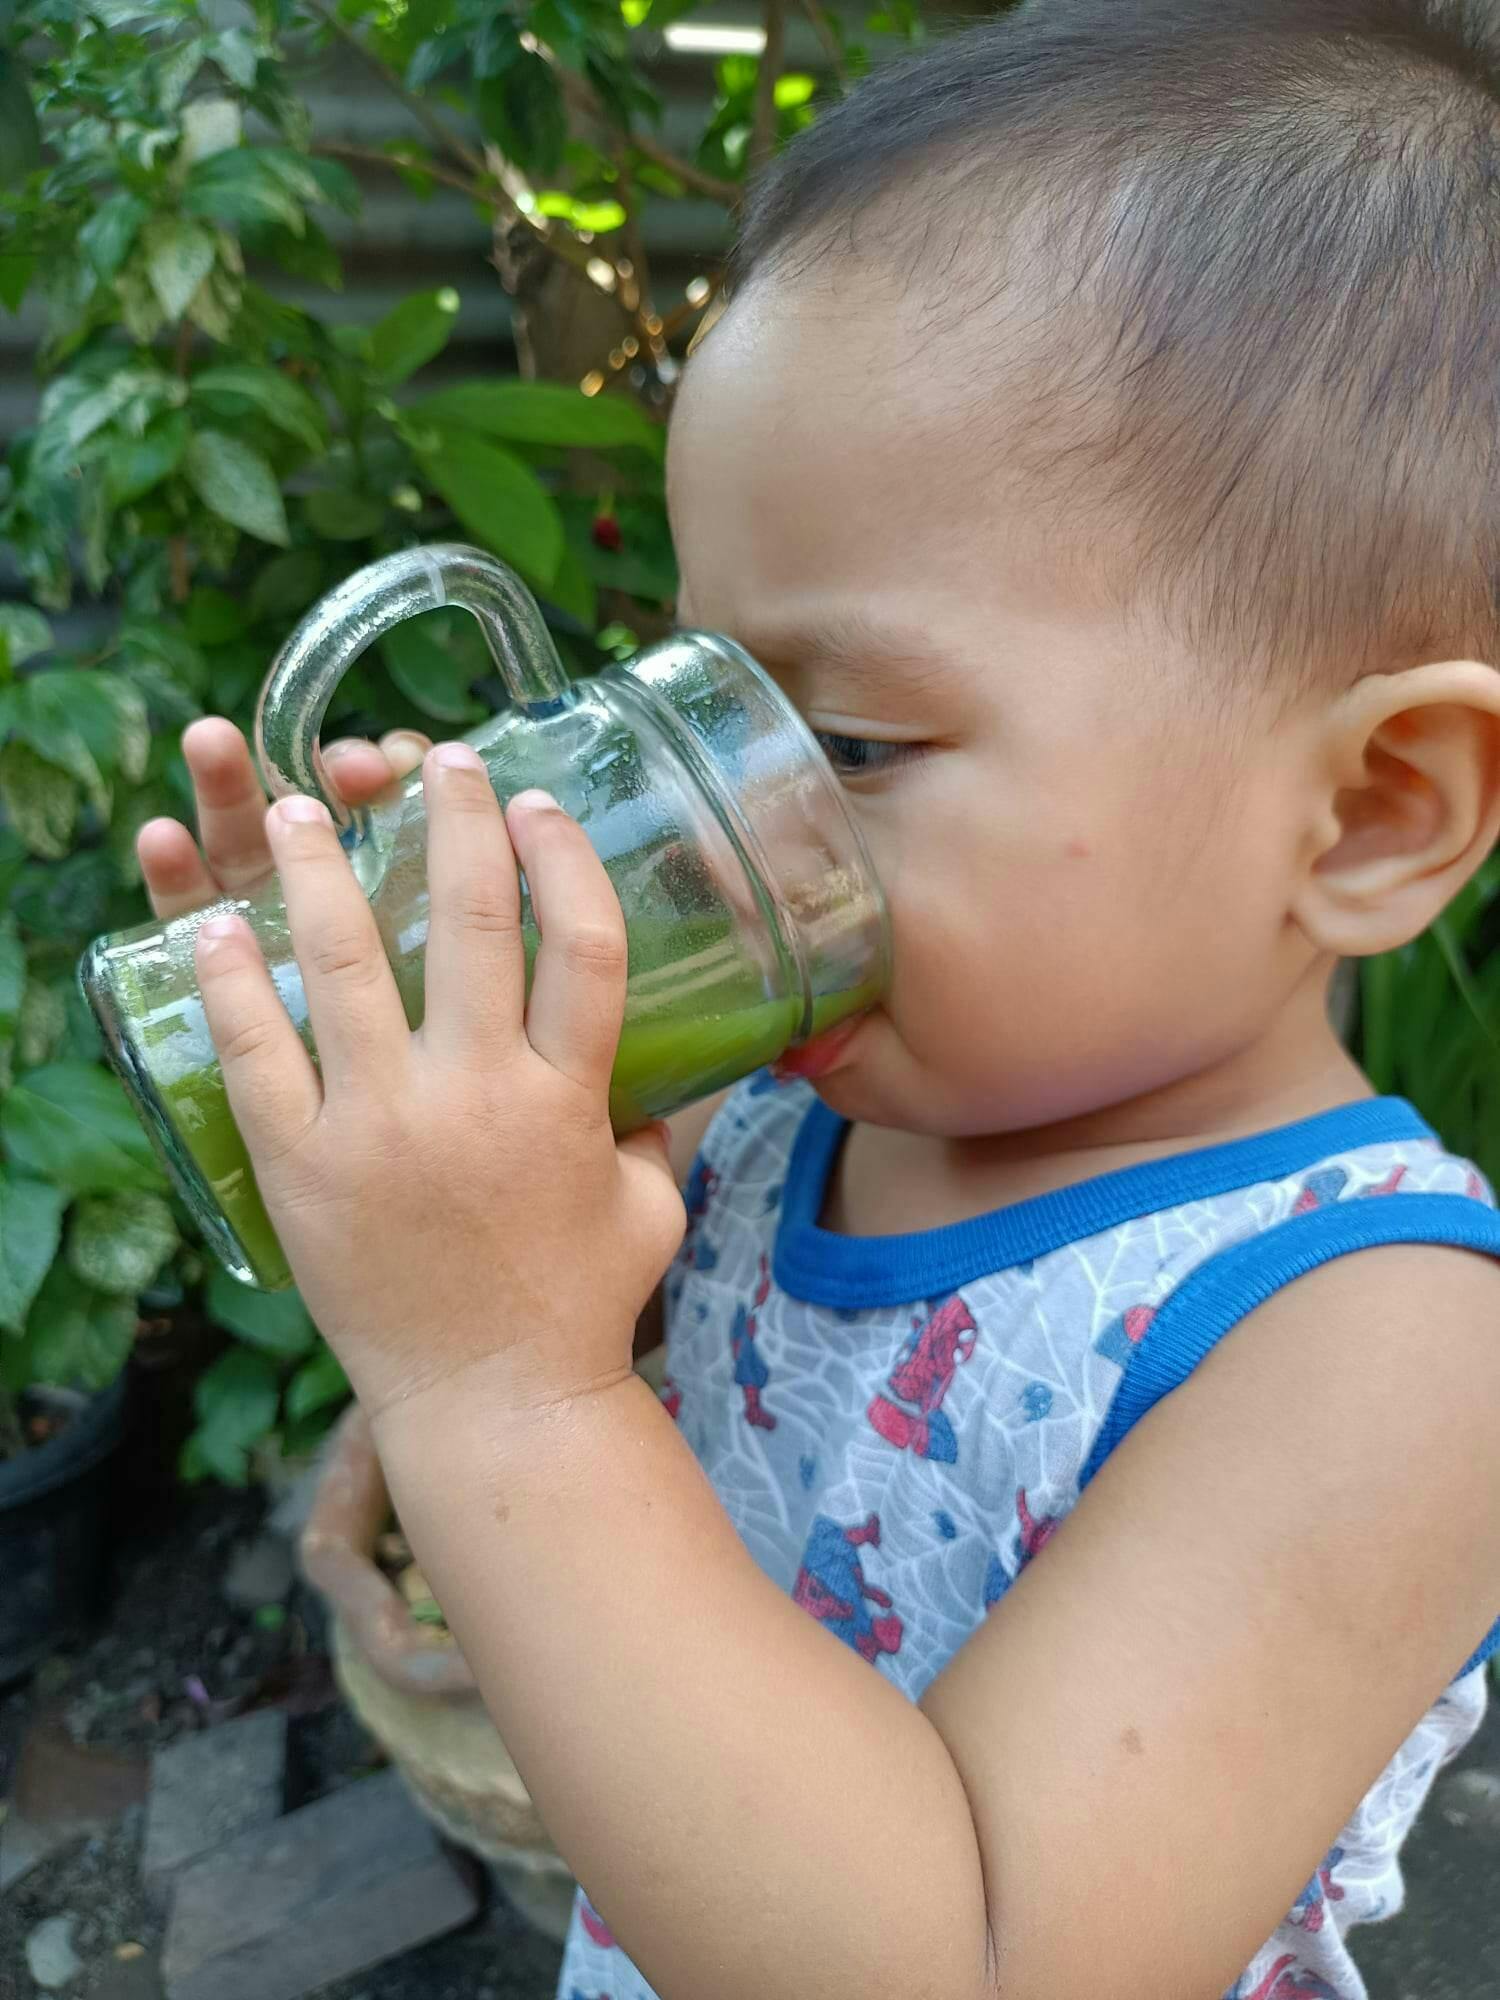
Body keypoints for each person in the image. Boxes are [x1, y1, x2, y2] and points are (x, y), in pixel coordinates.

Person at [137, 4, 1500, 1995]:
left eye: (847, 739)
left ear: (1374, 812)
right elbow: (612, 1370)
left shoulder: (1383, 1351)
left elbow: (967, 1961)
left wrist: (501, 1395)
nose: (728, 821)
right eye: (709, 693)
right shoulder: (798, 1103)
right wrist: (435, 1151)